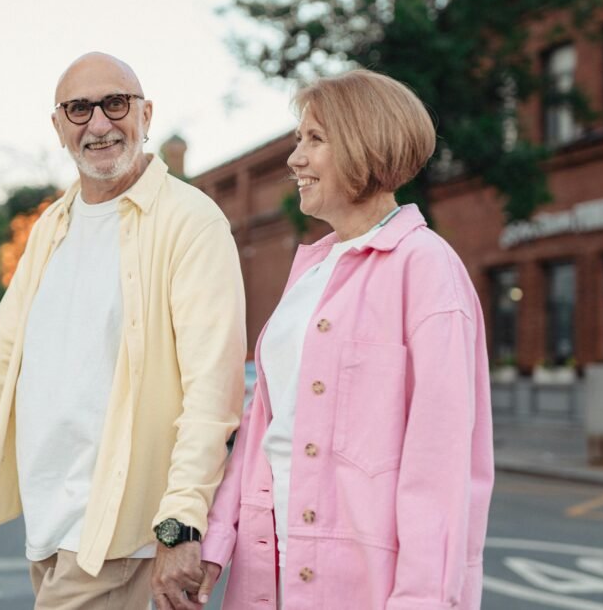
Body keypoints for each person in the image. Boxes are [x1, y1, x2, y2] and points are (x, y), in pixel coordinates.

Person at [0, 52, 247, 610]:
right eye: (79, 109)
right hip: (50, 528)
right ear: (58, 125)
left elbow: (212, 394)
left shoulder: (191, 222)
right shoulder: (51, 226)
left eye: (115, 104)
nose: (99, 124)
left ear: (145, 114)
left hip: (122, 537)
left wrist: (180, 525)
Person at [196, 69, 494, 609]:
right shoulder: (310, 270)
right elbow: (265, 426)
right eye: (296, 140)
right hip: (269, 570)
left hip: (363, 586)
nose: (294, 159)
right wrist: (217, 541)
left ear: (362, 146)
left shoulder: (426, 268)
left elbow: (441, 467)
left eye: (314, 139)